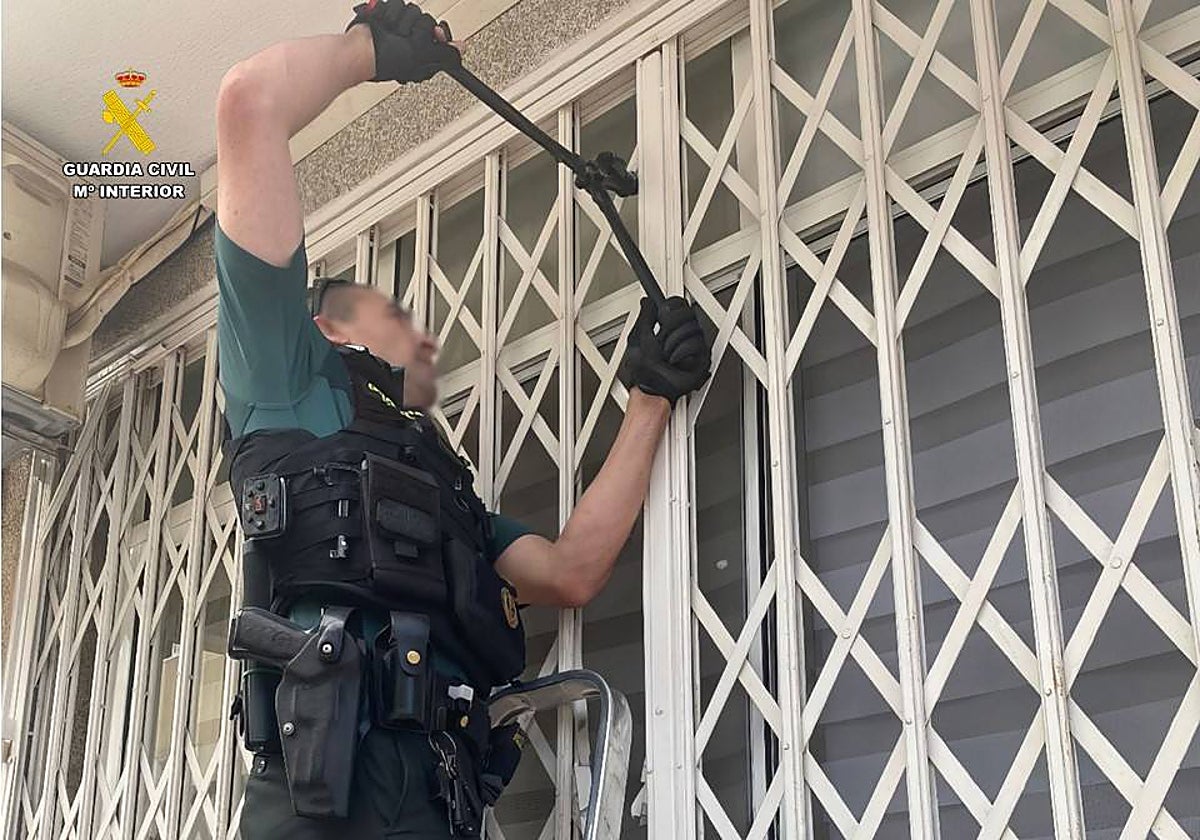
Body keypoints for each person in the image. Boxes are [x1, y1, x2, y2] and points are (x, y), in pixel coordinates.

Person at [214, 2, 712, 837]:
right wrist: (370, 52)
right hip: (325, 783)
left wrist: (650, 399)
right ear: (321, 321)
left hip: (444, 794)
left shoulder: (439, 484)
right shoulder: (281, 371)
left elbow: (570, 571)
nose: (404, 325)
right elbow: (248, 101)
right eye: (371, 306)